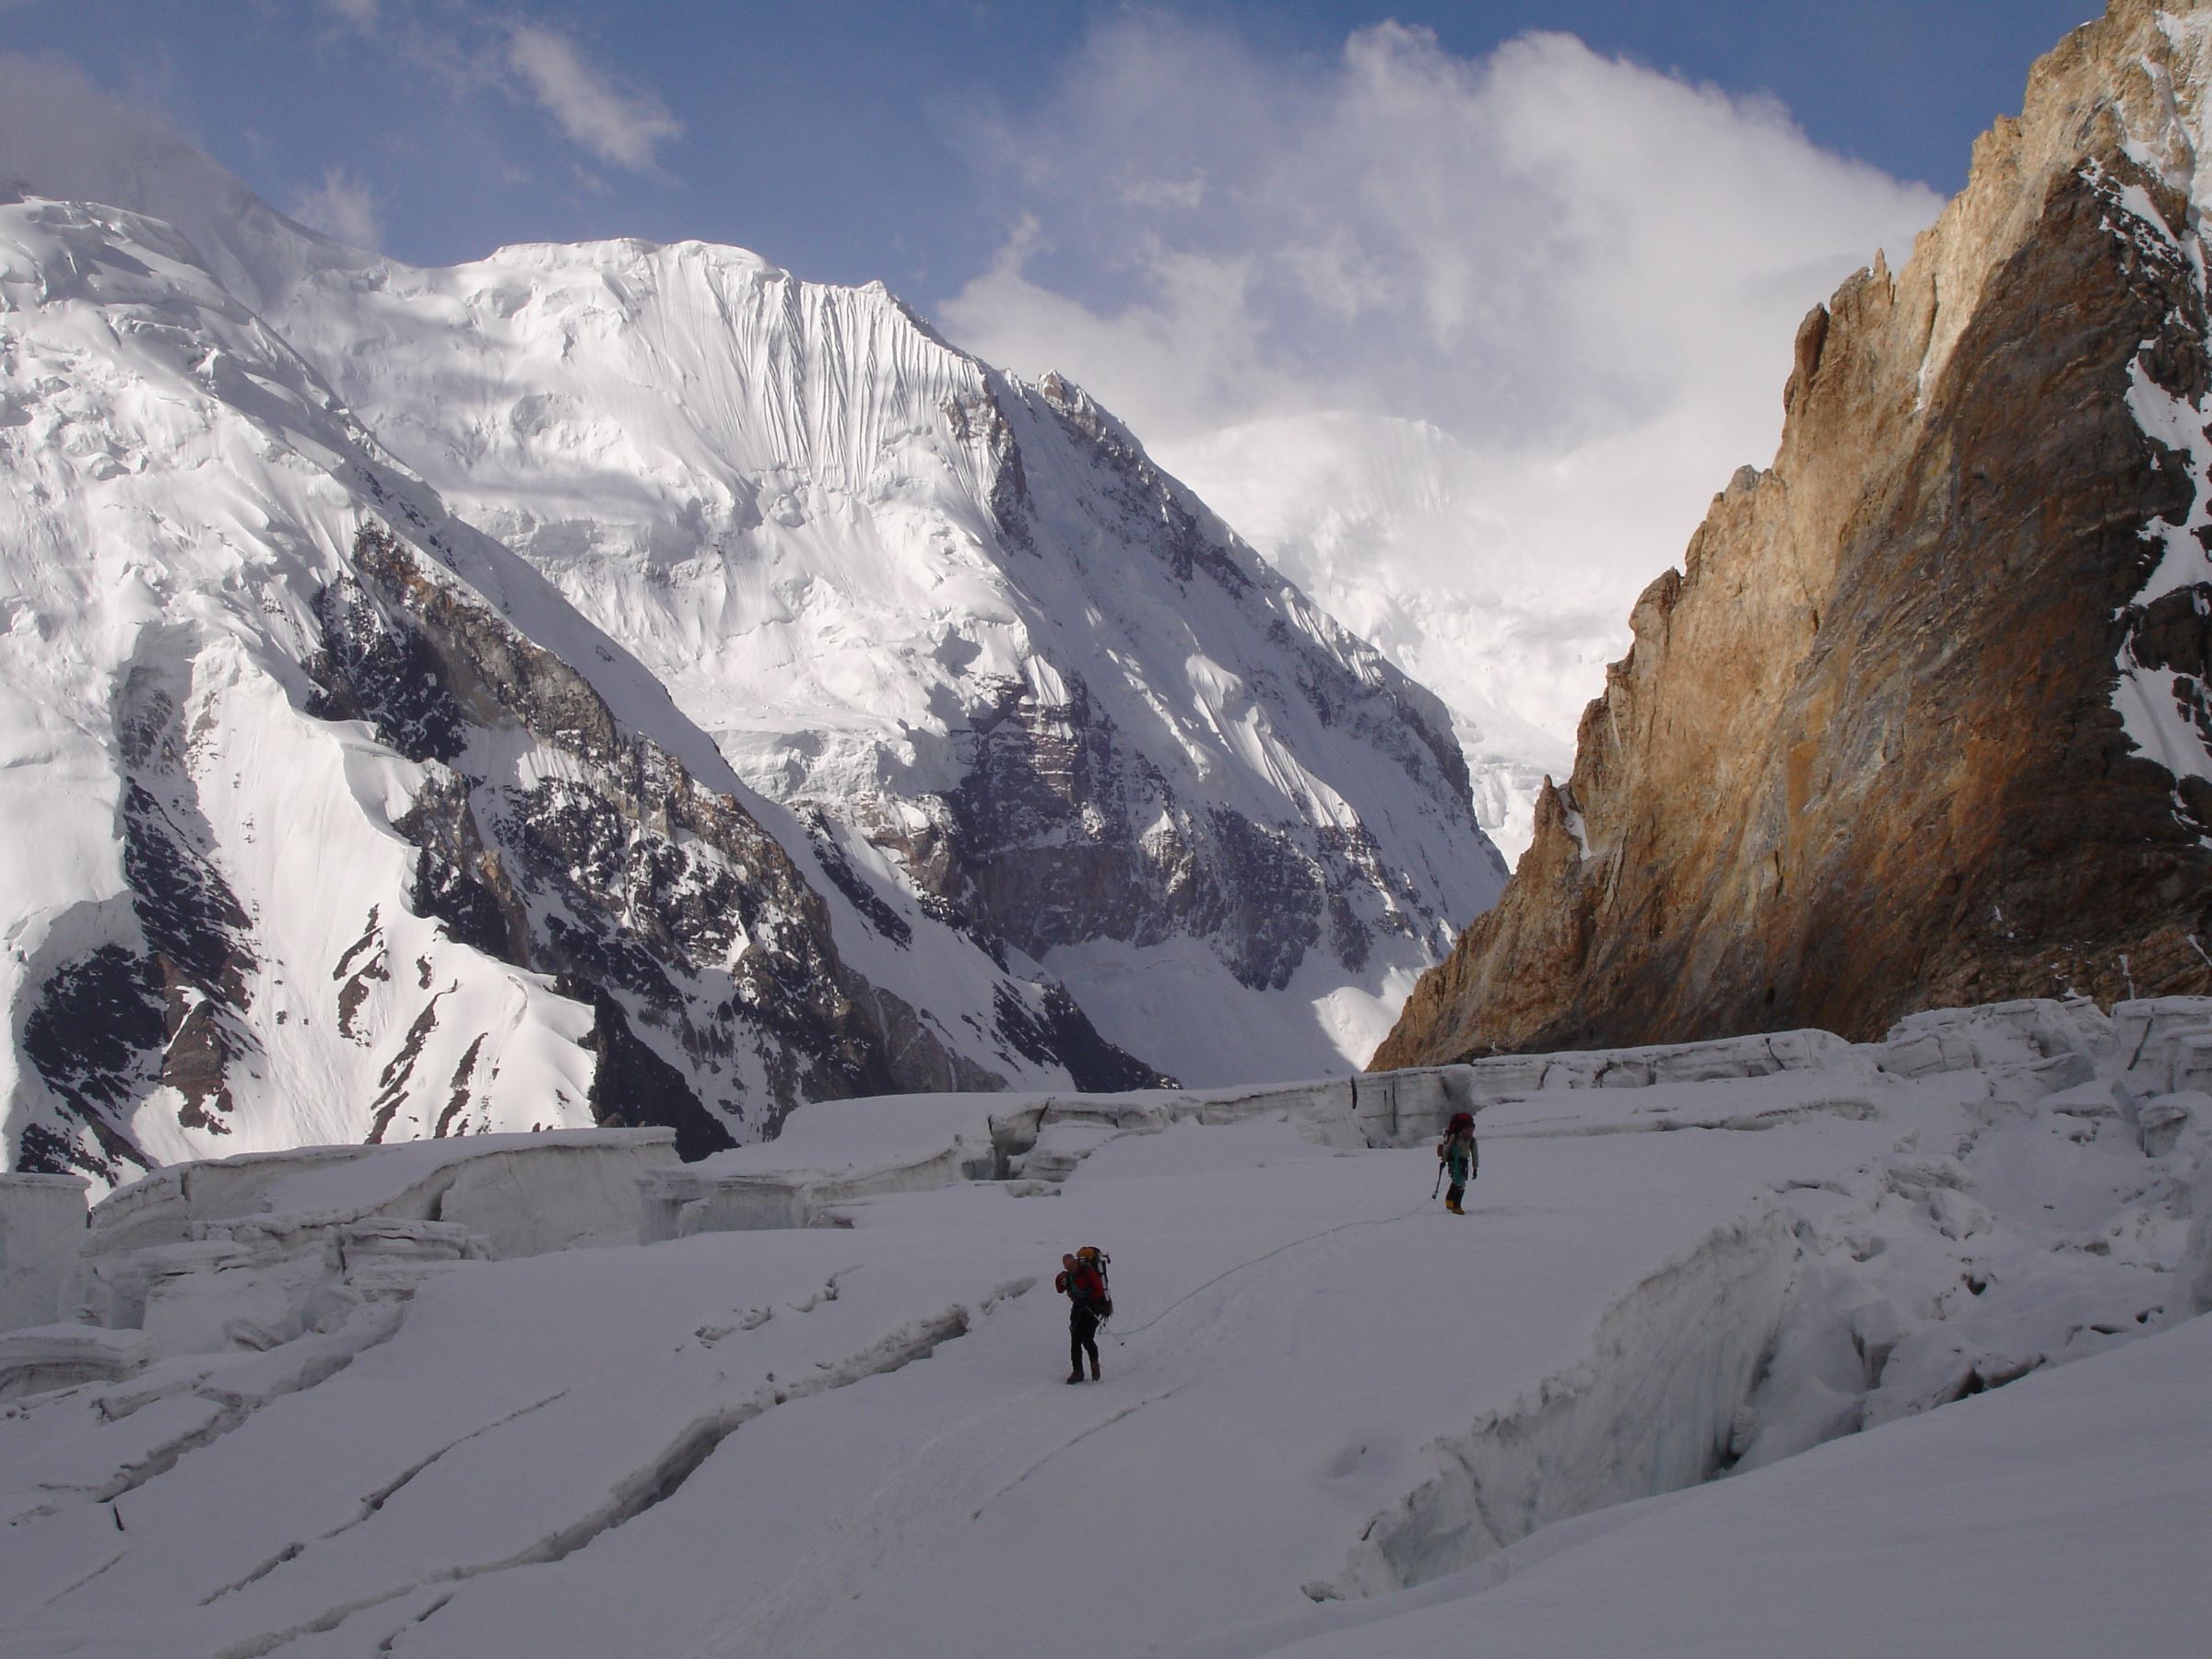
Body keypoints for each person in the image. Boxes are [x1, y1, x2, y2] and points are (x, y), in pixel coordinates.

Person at [1054, 1246, 1111, 1382]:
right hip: (1079, 1308)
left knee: (1086, 1337)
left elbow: (1098, 1289)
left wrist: (1088, 1300)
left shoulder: (1087, 1271)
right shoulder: (1068, 1276)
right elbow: (1059, 1289)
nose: (1069, 1269)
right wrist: (1060, 1279)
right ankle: (1079, 1371)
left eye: (1070, 1266)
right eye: (1066, 1267)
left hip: (1094, 1307)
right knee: (1076, 1339)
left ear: (1074, 1262)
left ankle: (1091, 1365)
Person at [1438, 1111, 1477, 1215]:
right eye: (1469, 1130)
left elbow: (1475, 1154)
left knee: (1457, 1182)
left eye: (1472, 1130)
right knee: (1460, 1183)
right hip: (1454, 1161)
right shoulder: (1455, 1137)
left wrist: (1475, 1168)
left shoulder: (1472, 1141)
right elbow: (1447, 1148)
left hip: (1464, 1162)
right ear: (1463, 1129)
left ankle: (1450, 1201)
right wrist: (1444, 1161)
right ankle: (1456, 1205)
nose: (1471, 1132)